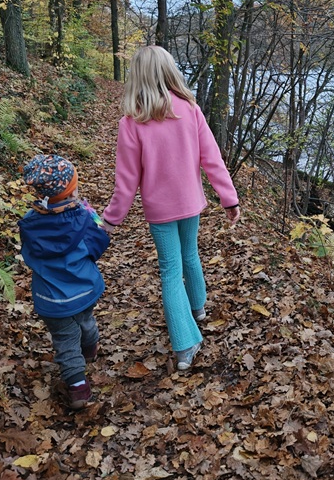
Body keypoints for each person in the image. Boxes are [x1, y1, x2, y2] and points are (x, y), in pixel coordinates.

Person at [102, 45, 240, 372]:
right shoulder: (189, 109)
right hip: (190, 202)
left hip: (160, 210)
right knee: (189, 255)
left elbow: (126, 181)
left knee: (170, 270)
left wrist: (110, 220)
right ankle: (196, 313)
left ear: (138, 77)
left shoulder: (132, 122)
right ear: (169, 72)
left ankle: (185, 343)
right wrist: (229, 199)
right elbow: (213, 160)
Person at [19, 154, 110, 410]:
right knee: (85, 321)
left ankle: (78, 388)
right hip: (83, 290)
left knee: (64, 341)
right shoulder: (84, 217)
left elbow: (29, 255)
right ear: (72, 192)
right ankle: (90, 350)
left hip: (51, 299)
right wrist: (90, 214)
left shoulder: (29, 222)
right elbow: (100, 242)